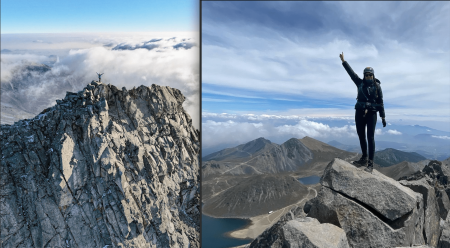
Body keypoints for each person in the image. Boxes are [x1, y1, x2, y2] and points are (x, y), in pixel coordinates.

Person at [339, 52, 386, 173]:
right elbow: (351, 73)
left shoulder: (377, 87)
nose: (368, 77)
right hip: (359, 112)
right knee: (361, 135)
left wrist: (383, 116)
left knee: (370, 137)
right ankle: (364, 158)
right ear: (364, 76)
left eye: (370, 75)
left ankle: (370, 163)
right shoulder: (359, 83)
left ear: (373, 76)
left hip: (371, 114)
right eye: (366, 75)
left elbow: (380, 102)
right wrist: (344, 62)